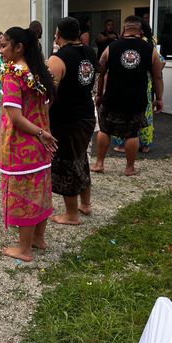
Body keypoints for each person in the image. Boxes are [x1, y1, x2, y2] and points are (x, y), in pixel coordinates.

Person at [0, 26, 57, 262]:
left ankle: (24, 250)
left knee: (22, 196)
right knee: (39, 191)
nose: (0, 50)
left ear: (18, 47)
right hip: (40, 145)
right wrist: (45, 132)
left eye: (4, 45)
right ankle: (37, 239)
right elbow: (45, 107)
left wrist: (41, 133)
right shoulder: (38, 72)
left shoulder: (13, 74)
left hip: (20, 145)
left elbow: (15, 117)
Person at [90, 15, 164, 176]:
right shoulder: (150, 50)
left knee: (105, 130)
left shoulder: (111, 47)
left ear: (124, 29)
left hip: (112, 98)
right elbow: (157, 76)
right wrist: (159, 98)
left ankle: (99, 164)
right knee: (132, 133)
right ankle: (129, 168)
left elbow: (101, 73)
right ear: (140, 31)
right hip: (137, 99)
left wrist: (99, 94)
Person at [47, 17, 97, 225]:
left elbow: (48, 94)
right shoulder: (90, 52)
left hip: (66, 117)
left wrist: (41, 120)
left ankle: (71, 214)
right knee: (80, 158)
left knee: (67, 161)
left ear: (58, 34)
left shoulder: (58, 59)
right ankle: (85, 204)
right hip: (86, 112)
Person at [112, 21, 165, 153]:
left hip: (127, 85)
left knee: (123, 114)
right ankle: (145, 144)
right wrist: (151, 72)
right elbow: (161, 61)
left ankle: (122, 144)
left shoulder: (135, 43)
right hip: (145, 84)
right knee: (146, 114)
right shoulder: (151, 41)